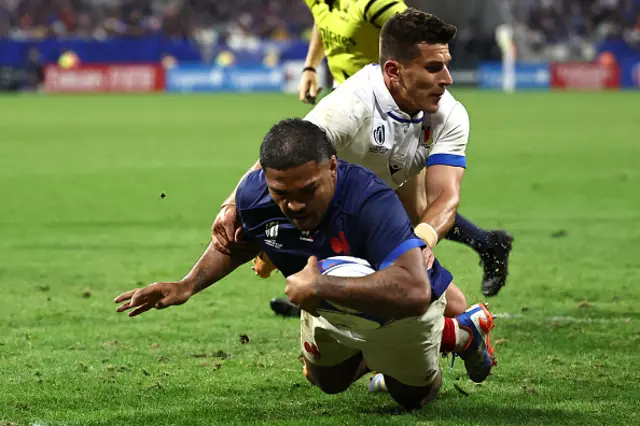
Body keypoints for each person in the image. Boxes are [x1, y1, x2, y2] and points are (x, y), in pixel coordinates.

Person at [114, 118, 495, 410]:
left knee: (410, 397)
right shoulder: (254, 196)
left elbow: (414, 290)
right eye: (282, 193)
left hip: (401, 313)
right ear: (265, 179)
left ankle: (457, 335)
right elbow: (241, 241)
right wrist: (186, 286)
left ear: (332, 168)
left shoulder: (369, 200)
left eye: (308, 190)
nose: (294, 205)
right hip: (331, 307)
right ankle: (389, 354)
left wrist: (322, 288)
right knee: (326, 381)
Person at [212, 10, 512, 321]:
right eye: (435, 68)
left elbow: (445, 198)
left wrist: (422, 242)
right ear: (395, 70)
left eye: (445, 66)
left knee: (445, 299)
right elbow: (283, 156)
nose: (448, 79)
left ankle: (328, 290)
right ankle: (320, 287)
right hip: (344, 181)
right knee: (382, 292)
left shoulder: (447, 112)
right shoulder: (346, 106)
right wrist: (232, 204)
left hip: (383, 174)